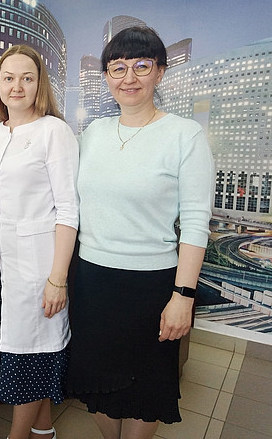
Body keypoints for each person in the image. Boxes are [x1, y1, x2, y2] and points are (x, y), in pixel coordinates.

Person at [66, 26, 215, 439]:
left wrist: (183, 296)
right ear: (107, 77)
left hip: (152, 284)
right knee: (95, 379)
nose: (128, 77)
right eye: (118, 68)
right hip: (93, 281)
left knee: (145, 385)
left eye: (141, 65)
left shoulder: (184, 135)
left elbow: (196, 222)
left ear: (160, 72)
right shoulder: (92, 134)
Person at [0, 45, 79, 439]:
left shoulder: (54, 132)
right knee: (15, 348)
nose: (16, 86)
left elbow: (68, 210)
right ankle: (43, 431)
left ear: (40, 85)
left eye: (27, 78)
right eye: (8, 78)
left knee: (31, 356)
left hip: (38, 268)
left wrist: (57, 278)